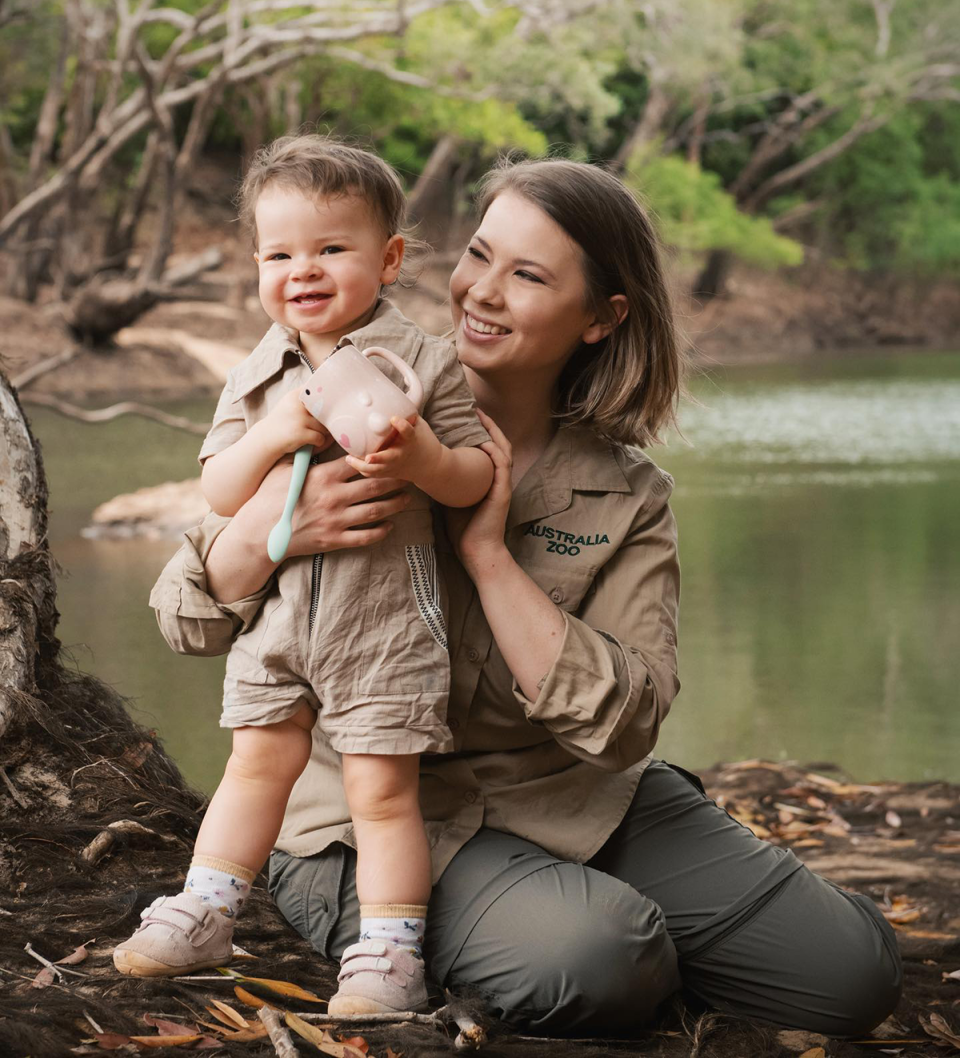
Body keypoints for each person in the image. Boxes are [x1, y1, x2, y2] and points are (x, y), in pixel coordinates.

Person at [144, 157, 903, 1037]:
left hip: (571, 794)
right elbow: (183, 616)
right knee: (601, 957)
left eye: (529, 275)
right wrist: (278, 524)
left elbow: (626, 723)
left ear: (601, 318)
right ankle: (501, 929)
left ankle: (576, 916)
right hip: (371, 816)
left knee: (851, 976)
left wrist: (489, 556)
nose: (482, 293)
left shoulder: (627, 493)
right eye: (479, 255)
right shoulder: (372, 398)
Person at [112, 136, 494, 1016]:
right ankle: (208, 905)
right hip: (277, 620)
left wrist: (422, 454)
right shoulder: (256, 375)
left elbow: (473, 478)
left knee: (380, 787)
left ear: (389, 259)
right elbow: (217, 486)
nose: (303, 271)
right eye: (280, 254)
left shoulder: (425, 361)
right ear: (256, 265)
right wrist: (279, 431)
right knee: (255, 763)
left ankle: (389, 951)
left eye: (331, 249)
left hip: (385, 620)